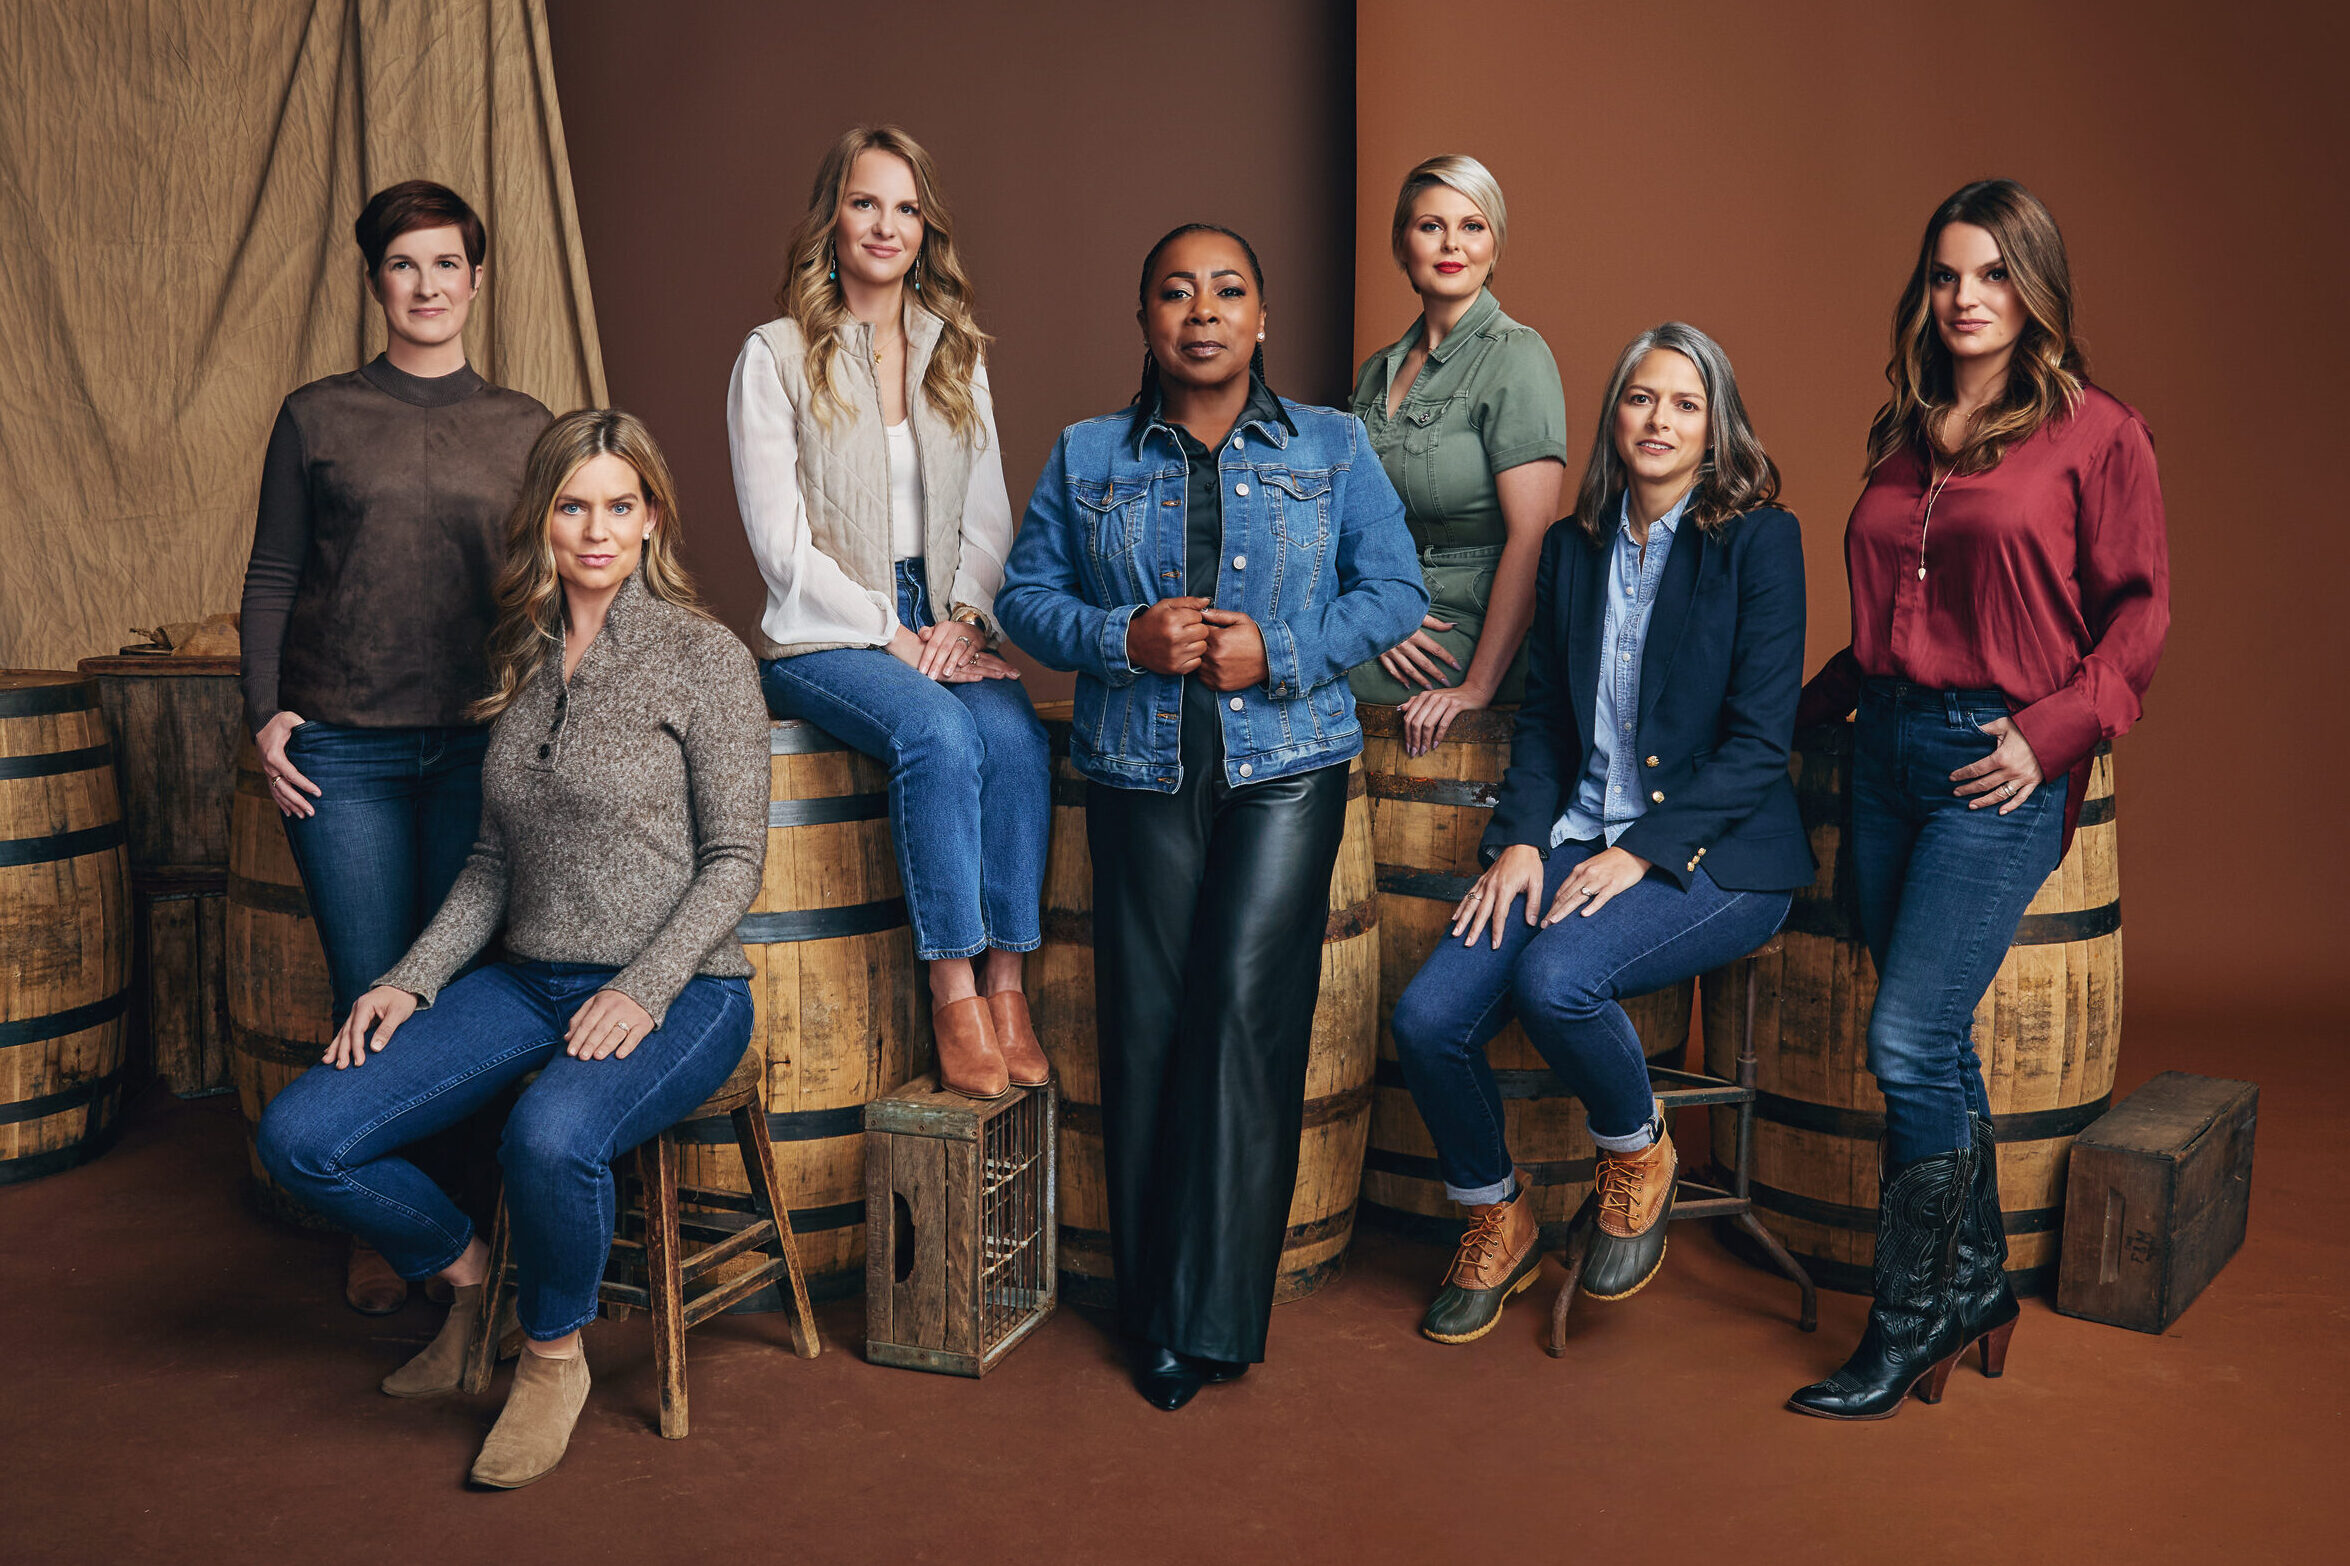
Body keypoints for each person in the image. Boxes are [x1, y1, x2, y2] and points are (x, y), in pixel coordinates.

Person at [256, 410, 770, 1488]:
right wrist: (409, 979)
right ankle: (470, 1280)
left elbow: (733, 860)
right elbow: (490, 864)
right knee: (305, 1133)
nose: (596, 530)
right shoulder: (526, 657)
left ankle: (551, 1358)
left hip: (684, 996)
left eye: (619, 506)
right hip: (528, 980)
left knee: (544, 1139)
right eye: (573, 506)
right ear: (541, 520)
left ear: (651, 519)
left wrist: (643, 989)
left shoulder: (701, 657)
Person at [998, 224, 1426, 1411]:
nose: (1202, 311)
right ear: (1143, 319)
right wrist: (1118, 638)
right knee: (1146, 1029)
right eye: (1175, 293)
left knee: (1244, 1016)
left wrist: (1279, 650)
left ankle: (1213, 1317)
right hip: (1136, 770)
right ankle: (1157, 1316)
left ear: (1262, 319)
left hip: (1286, 766)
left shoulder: (1332, 447)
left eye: (1227, 291)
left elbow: (1394, 590)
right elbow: (1025, 598)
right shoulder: (1086, 454)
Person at [1787, 179, 2170, 1420]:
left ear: (2036, 290)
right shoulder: (1905, 436)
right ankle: (1977, 1289)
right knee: (1935, 1040)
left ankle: (1904, 1322)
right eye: (1947, 275)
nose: (1964, 299)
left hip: (1991, 763)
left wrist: (2050, 734)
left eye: (1993, 275)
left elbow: (2138, 613)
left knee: (1900, 1041)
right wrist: (1779, 720)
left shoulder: (2097, 434)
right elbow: (1895, 625)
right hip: (1885, 751)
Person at [1388, 323, 1813, 1344]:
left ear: (1715, 427)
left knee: (1553, 981)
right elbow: (1542, 723)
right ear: (1611, 414)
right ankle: (1498, 1218)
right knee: (1426, 1018)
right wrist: (1523, 841)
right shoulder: (1573, 550)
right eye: (1639, 398)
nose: (1656, 420)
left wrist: (1640, 854)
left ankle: (1636, 1152)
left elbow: (1760, 745)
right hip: (1577, 835)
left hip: (1723, 854)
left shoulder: (1759, 541)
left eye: (1682, 403)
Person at [238, 179, 551, 1316]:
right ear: (377, 282)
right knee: (371, 995)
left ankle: (458, 1221)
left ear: (476, 279)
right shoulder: (316, 415)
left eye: (447, 264)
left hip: (480, 750)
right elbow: (273, 573)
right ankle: (389, 1221)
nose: (427, 285)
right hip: (345, 755)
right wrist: (263, 707)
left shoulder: (526, 427)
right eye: (403, 265)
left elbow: (552, 586)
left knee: (460, 1002)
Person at [729, 124, 1048, 1100]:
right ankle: (952, 989)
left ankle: (1007, 987)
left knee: (1017, 738)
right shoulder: (777, 355)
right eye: (866, 202)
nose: (886, 225)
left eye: (906, 208)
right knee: (939, 738)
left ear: (926, 229)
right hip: (825, 626)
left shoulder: (957, 356)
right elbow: (780, 546)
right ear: (833, 215)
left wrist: (962, 619)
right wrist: (895, 632)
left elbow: (988, 515)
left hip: (938, 614)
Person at [1347, 155, 1569, 756]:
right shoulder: (1375, 373)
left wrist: (1476, 687)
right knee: (1264, 660)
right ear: (1402, 244)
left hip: (1471, 624)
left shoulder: (1517, 357)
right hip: (1387, 615)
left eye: (1472, 226)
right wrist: (1374, 618)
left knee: (1290, 678)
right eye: (1430, 226)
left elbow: (1535, 536)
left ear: (1494, 245)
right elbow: (1342, 527)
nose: (1452, 244)